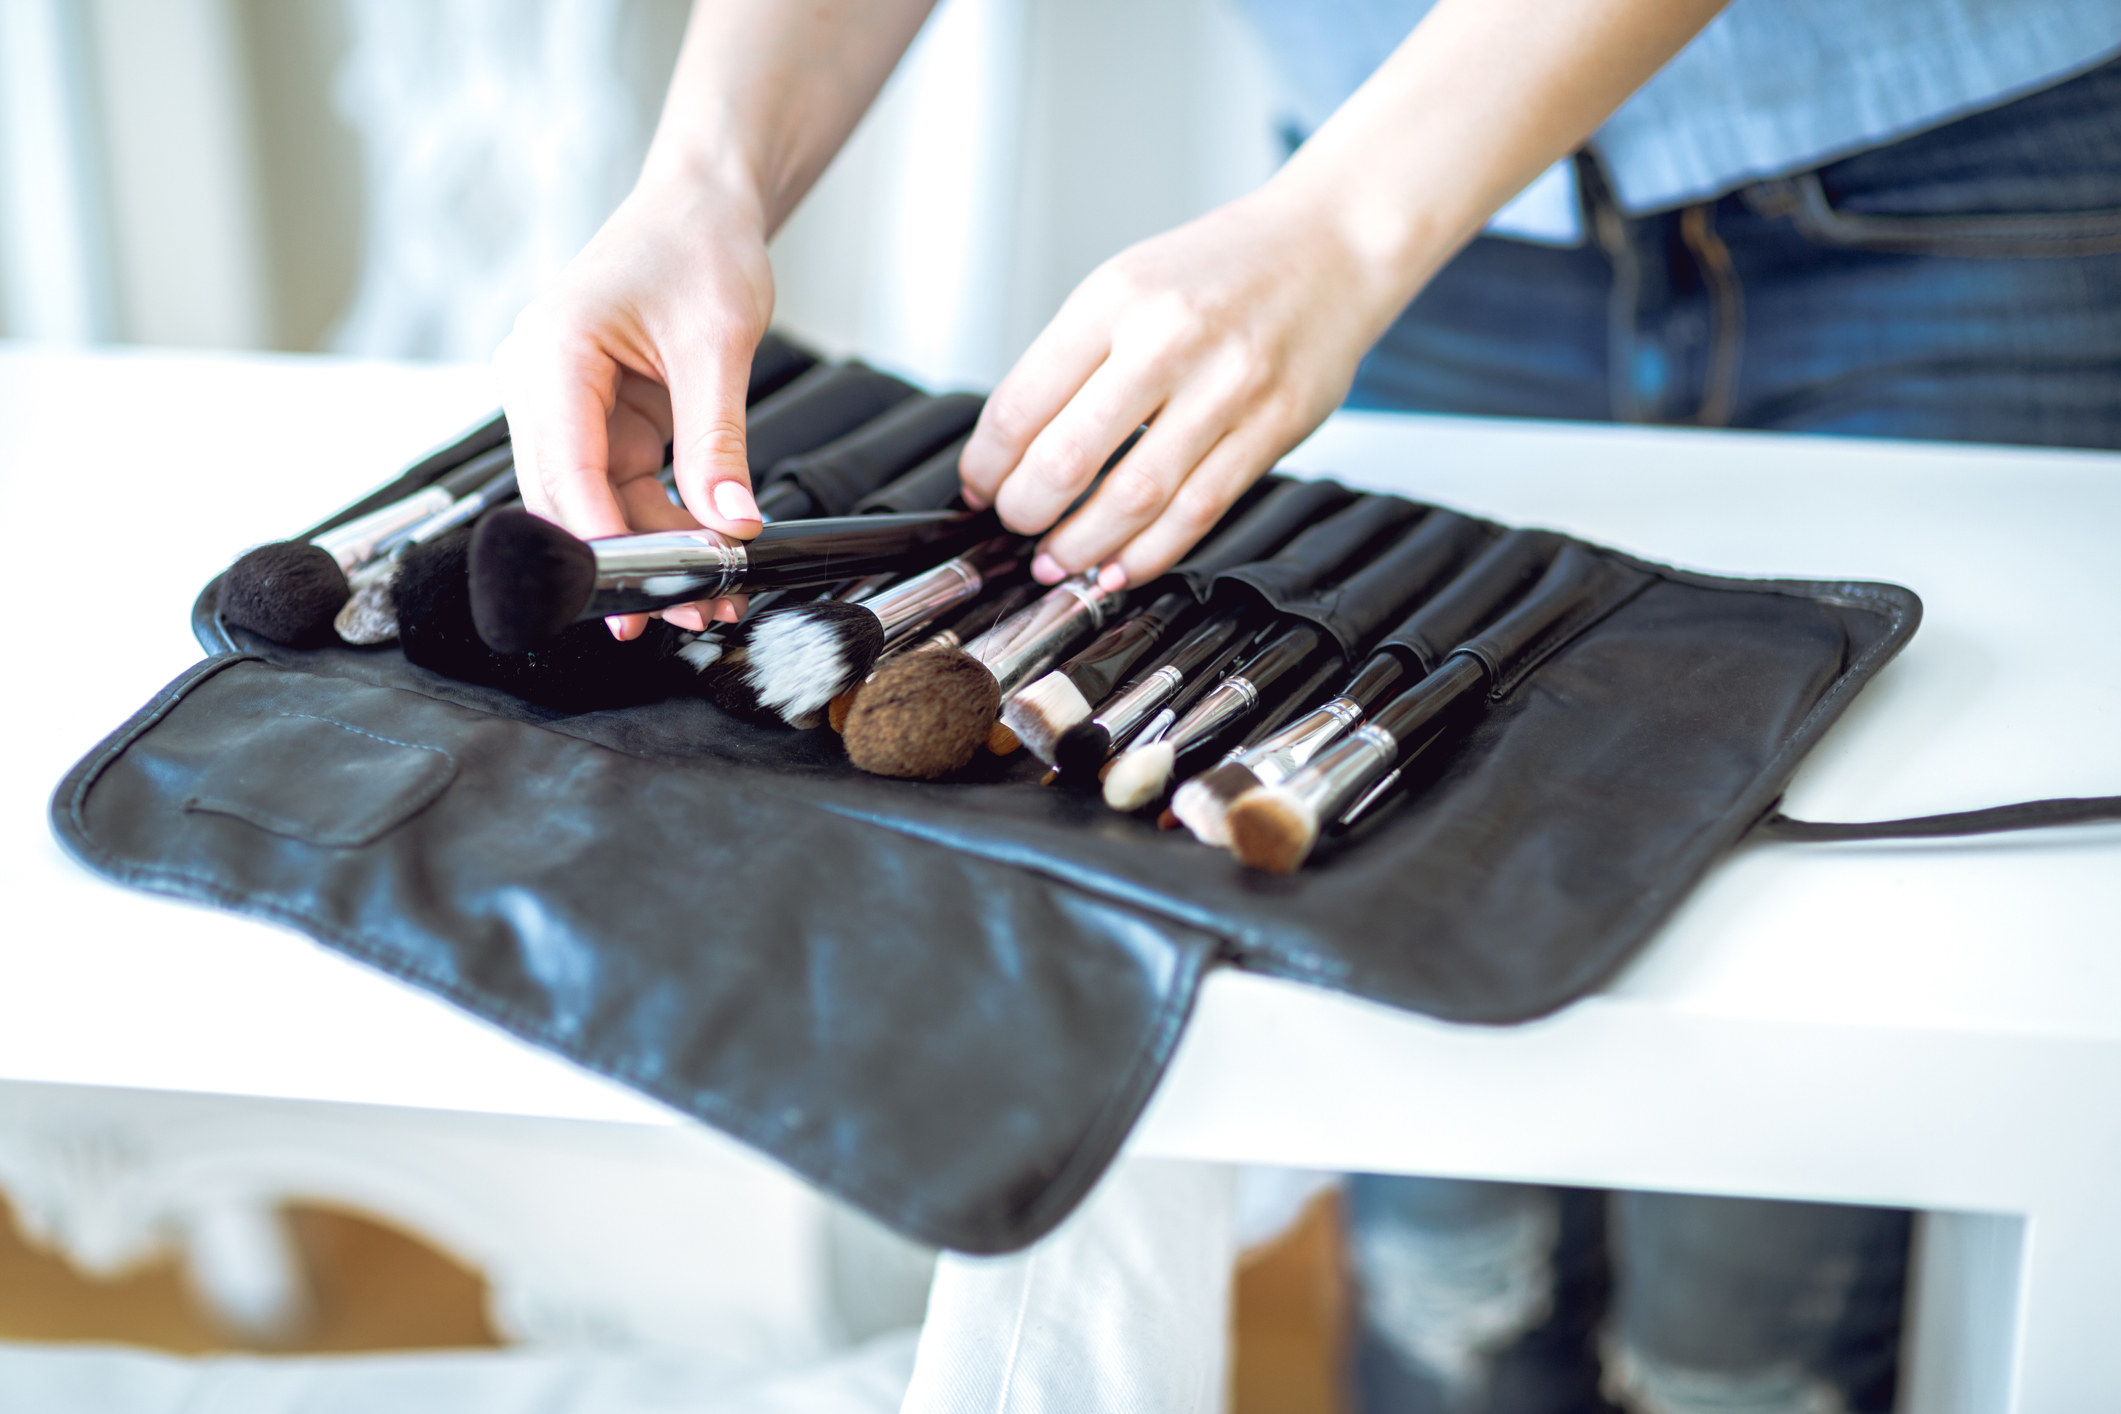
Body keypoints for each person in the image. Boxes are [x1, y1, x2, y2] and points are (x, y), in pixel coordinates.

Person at [499, 2, 2121, 1410]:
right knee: (1443, 1229)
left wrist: (1348, 228)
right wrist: (704, 178)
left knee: (1763, 1261)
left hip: (1962, 186)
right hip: (1431, 238)